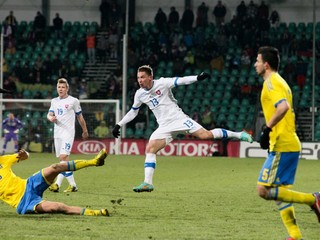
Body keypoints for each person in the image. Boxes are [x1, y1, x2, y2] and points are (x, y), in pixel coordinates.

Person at [112, 65, 253, 193]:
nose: (140, 80)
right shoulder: (139, 94)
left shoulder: (163, 83)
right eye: (138, 78)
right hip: (164, 126)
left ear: (150, 77)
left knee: (206, 135)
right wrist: (119, 124)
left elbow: (181, 80)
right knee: (150, 149)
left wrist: (197, 78)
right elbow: (133, 111)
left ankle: (239, 134)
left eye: (142, 77)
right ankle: (147, 183)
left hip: (179, 119)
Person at [254, 46, 320, 240]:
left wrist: (267, 129)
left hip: (283, 144)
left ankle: (313, 199)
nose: (255, 64)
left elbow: (283, 107)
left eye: (257, 61)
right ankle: (295, 235)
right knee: (281, 193)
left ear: (266, 64)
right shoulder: (279, 81)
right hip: (287, 142)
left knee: (263, 190)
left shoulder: (272, 83)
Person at [0, 148, 109, 216]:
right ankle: (95, 212)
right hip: (23, 202)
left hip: (29, 184)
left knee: (56, 167)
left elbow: (26, 155)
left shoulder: (3, 160)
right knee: (57, 207)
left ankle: (94, 161)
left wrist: (25, 155)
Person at [47, 78, 89, 193]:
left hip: (68, 133)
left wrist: (84, 130)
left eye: (63, 87)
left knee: (63, 157)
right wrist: (51, 118)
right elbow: (49, 114)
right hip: (57, 133)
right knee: (63, 160)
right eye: (59, 87)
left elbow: (80, 117)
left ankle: (64, 184)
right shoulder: (54, 101)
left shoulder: (73, 101)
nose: (60, 89)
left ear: (67, 89)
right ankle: (65, 185)